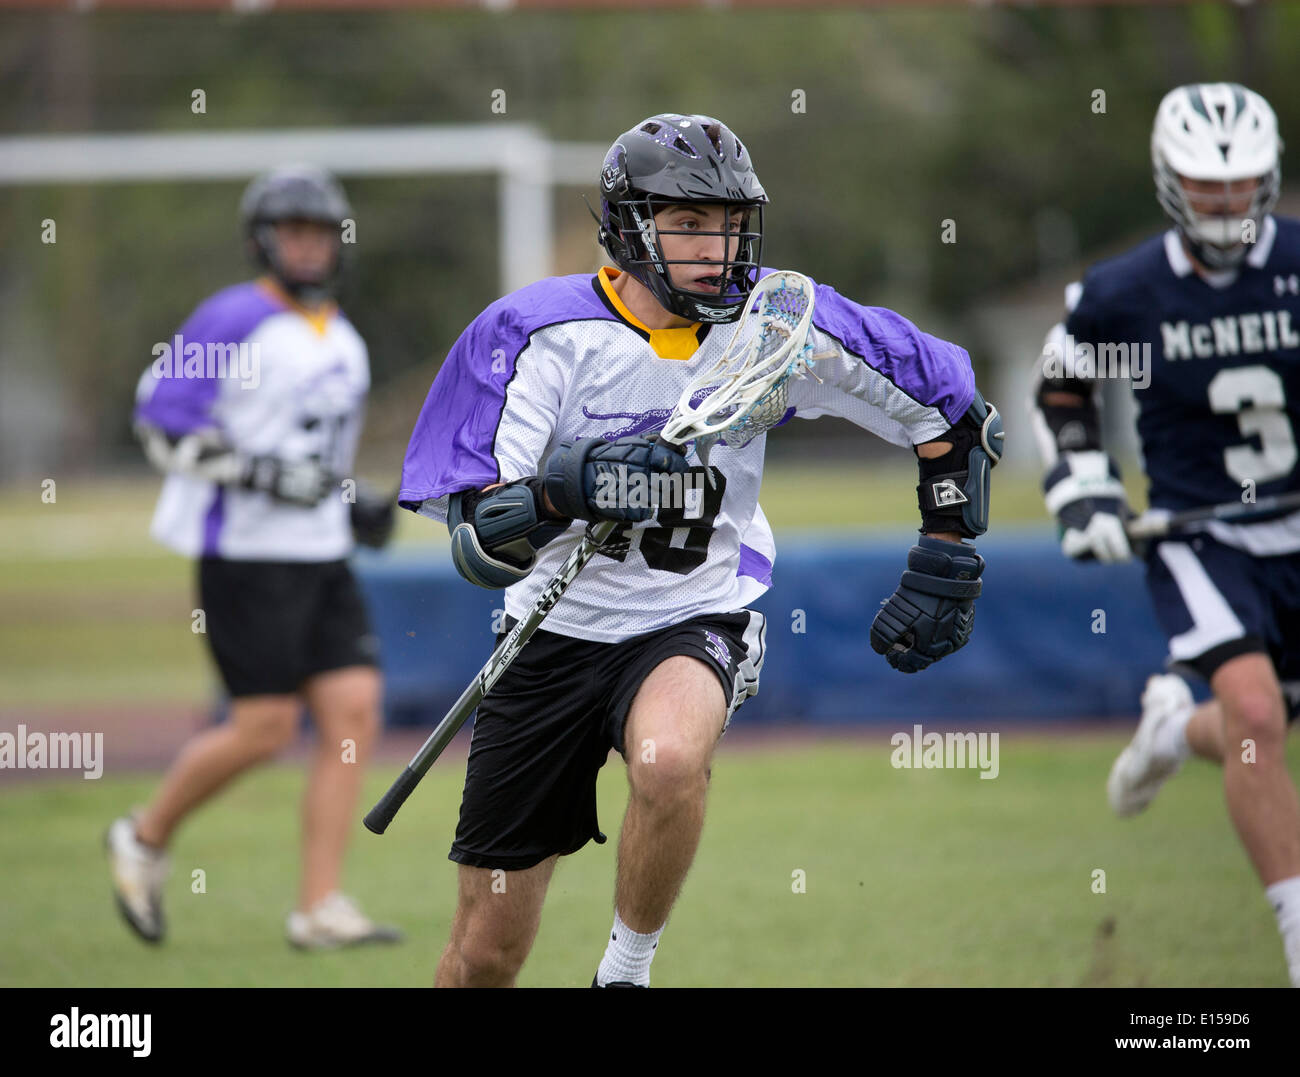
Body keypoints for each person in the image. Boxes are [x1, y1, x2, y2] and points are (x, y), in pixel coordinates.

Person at [399, 113, 1002, 987]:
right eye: (687, 223)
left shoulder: (776, 324)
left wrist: (945, 549)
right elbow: (481, 543)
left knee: (669, 758)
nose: (714, 246)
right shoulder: (535, 333)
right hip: (550, 630)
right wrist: (568, 488)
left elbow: (947, 403)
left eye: (726, 223)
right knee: (484, 957)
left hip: (693, 611)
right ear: (626, 228)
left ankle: (625, 973)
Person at [1030, 83, 1300, 987]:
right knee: (1260, 713)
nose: (1225, 204)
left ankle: (1176, 730)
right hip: (1202, 533)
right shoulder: (1126, 293)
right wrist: (1087, 491)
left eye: (1241, 184)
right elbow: (1061, 390)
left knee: (1264, 723)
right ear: (1171, 180)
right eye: (1208, 185)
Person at [106, 164, 401, 950]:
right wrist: (259, 472)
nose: (307, 247)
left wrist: (352, 498)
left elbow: (315, 460)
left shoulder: (342, 333)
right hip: (246, 554)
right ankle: (144, 832)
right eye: (293, 231)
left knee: (354, 712)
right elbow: (160, 425)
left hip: (320, 554)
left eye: (319, 232)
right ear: (263, 241)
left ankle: (319, 905)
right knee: (266, 726)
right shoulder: (231, 318)